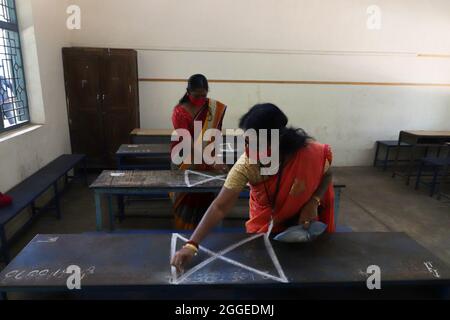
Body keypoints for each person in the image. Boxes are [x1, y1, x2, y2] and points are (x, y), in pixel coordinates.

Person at [171, 103, 335, 272]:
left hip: (302, 225)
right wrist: (191, 245)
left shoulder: (309, 153)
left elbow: (327, 174)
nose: (249, 150)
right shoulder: (248, 165)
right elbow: (220, 206)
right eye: (247, 141)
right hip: (264, 227)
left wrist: (313, 202)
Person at [171, 74, 227, 229]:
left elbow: (214, 134)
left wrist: (214, 157)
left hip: (207, 158)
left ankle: (206, 229)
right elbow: (187, 142)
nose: (201, 99)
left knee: (205, 195)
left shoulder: (212, 108)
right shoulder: (179, 112)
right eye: (197, 95)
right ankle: (186, 232)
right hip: (184, 159)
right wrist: (210, 159)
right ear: (188, 92)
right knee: (187, 195)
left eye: (204, 95)